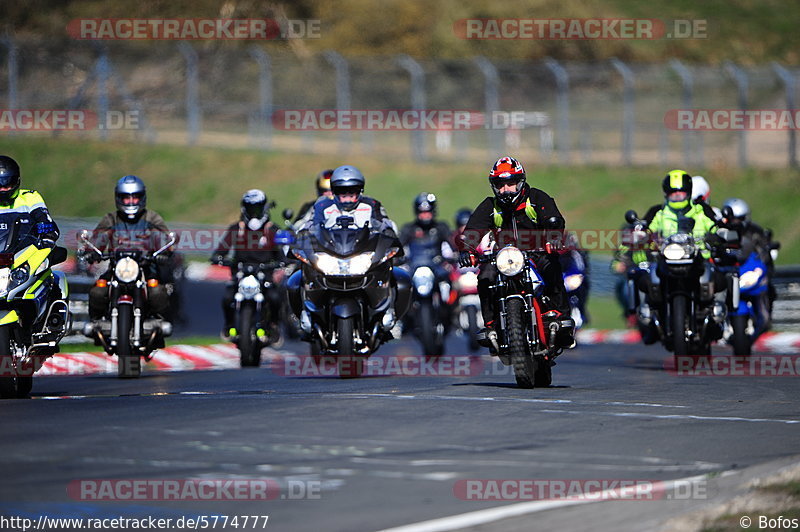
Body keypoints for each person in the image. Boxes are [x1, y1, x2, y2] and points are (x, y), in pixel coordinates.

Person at [457, 156, 574, 349]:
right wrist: (467, 251)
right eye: (500, 185)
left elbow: (554, 219)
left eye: (510, 183)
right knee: (485, 276)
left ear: (520, 182)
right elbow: (472, 231)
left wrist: (554, 239)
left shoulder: (536, 198)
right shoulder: (490, 206)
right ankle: (490, 325)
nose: (505, 190)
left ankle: (562, 318)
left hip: (537, 254)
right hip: (502, 258)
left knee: (551, 266)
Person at [83, 175, 172, 325]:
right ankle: (96, 322)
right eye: (126, 198)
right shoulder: (111, 219)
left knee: (157, 291)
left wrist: (163, 252)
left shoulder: (152, 218)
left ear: (142, 198)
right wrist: (91, 251)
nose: (131, 202)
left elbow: (164, 239)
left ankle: (158, 322)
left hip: (146, 267)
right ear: (118, 198)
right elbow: (98, 239)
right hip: (116, 268)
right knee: (98, 291)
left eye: (135, 198)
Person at [211, 189, 284, 340]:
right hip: (240, 273)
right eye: (251, 209)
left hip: (265, 274)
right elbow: (221, 250)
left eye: (257, 208)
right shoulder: (236, 229)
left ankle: (273, 325)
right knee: (226, 298)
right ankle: (229, 325)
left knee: (275, 298)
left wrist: (281, 262)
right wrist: (219, 258)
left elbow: (282, 255)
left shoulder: (272, 230)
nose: (254, 213)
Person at [0, 155, 60, 247]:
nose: (3, 190)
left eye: (8, 184)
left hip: (26, 257)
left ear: (16, 182)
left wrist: (47, 237)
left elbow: (47, 225)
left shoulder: (30, 198)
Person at [399, 192, 455, 260]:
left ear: (433, 211)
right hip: (413, 267)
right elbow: (397, 249)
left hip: (437, 267)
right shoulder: (408, 229)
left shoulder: (442, 228)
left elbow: (454, 247)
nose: (425, 216)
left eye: (427, 212)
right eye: (422, 212)